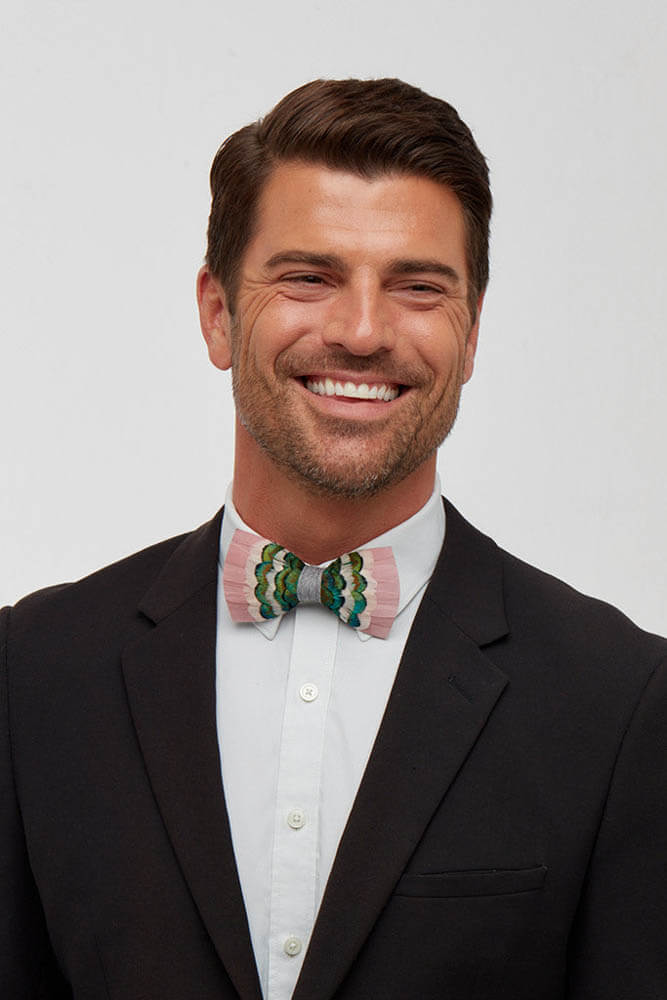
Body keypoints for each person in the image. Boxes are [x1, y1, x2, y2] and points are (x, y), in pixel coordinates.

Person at [1, 78, 665, 1000]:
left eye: (417, 287)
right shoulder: (33, 671)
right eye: (308, 278)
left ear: (472, 332)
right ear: (218, 313)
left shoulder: (623, 700)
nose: (361, 332)